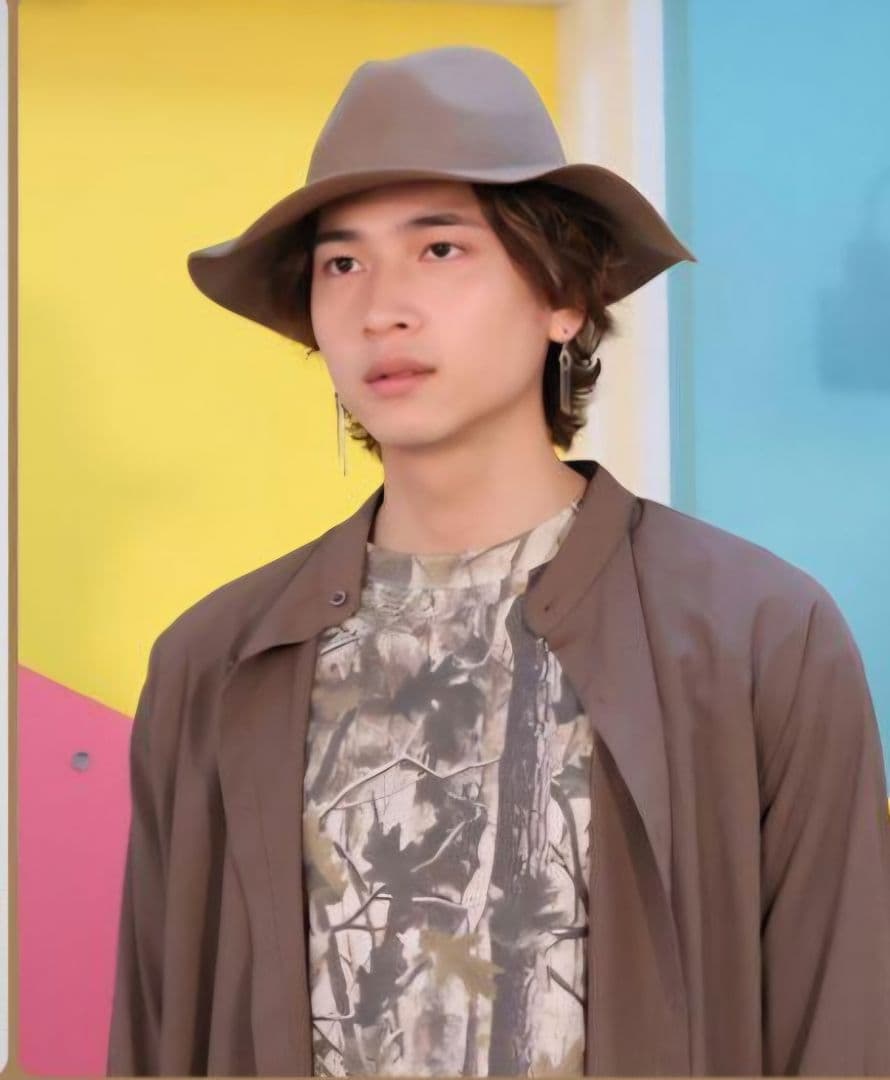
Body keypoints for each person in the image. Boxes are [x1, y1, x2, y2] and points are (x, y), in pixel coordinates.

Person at [106, 45, 890, 1078]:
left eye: (440, 249)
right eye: (342, 264)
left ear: (564, 297)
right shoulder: (216, 663)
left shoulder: (755, 636)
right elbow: (160, 1029)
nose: (381, 306)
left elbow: (839, 1024)